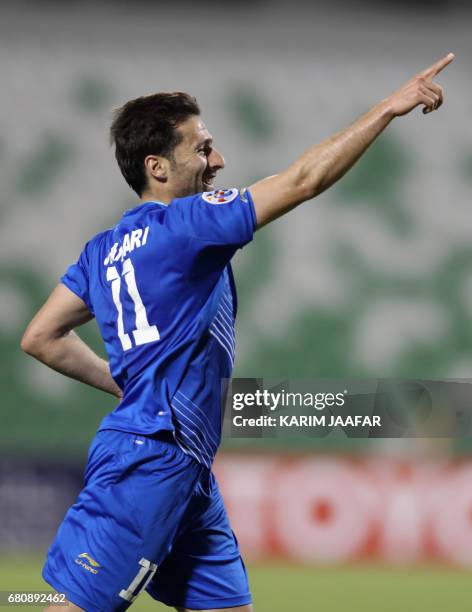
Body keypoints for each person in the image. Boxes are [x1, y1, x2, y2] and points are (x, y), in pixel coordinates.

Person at [21, 52, 454, 612]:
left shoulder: (101, 252)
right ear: (158, 167)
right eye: (201, 148)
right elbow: (303, 180)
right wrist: (389, 109)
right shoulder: (188, 225)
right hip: (150, 460)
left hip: (181, 461)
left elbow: (41, 336)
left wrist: (129, 384)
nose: (217, 159)